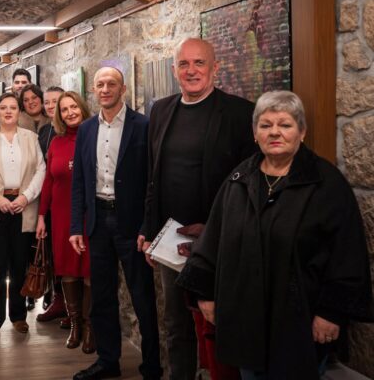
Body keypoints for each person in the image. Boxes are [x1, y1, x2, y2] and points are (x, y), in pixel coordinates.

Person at [177, 91, 373, 379]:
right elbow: (214, 239)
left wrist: (331, 312)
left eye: (285, 124)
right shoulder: (239, 180)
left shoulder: (326, 184)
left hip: (300, 324)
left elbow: (346, 253)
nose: (275, 132)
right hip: (245, 321)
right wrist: (205, 293)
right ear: (255, 134)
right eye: (266, 125)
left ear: (302, 132)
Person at [141, 37, 254, 380]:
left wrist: (215, 230)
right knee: (177, 323)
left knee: (218, 321)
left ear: (215, 67)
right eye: (184, 64)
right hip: (171, 239)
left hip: (218, 239)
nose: (191, 71)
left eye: (199, 63)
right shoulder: (161, 110)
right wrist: (148, 229)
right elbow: (153, 176)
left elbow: (247, 186)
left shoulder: (240, 113)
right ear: (174, 70)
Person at [70, 67, 161, 380]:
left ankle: (152, 365)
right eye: (100, 84)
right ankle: (108, 361)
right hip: (97, 221)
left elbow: (152, 181)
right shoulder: (86, 129)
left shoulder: (143, 126)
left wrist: (147, 226)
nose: (105, 89)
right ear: (94, 90)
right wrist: (75, 226)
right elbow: (79, 181)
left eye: (112, 84)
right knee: (102, 297)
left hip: (131, 224)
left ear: (123, 89)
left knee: (142, 297)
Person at [0, 92, 46, 341]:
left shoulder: (31, 137)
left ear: (19, 111)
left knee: (19, 266)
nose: (8, 111)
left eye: (13, 107)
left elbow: (41, 170)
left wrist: (25, 197)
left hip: (23, 207)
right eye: (3, 107)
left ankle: (19, 316)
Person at [36, 91, 95, 353]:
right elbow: (48, 181)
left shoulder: (94, 136)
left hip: (89, 213)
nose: (70, 112)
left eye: (74, 107)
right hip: (61, 214)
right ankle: (75, 325)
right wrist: (41, 216)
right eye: (64, 109)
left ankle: (90, 326)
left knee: (89, 269)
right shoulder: (56, 143)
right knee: (67, 269)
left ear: (82, 108)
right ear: (59, 115)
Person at [35, 86, 68, 322]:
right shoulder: (45, 130)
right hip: (48, 197)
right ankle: (58, 299)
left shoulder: (75, 130)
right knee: (53, 253)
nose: (49, 106)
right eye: (46, 102)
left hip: (67, 199)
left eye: (55, 102)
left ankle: (73, 307)